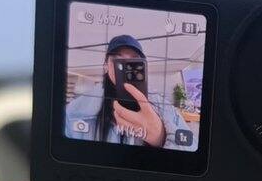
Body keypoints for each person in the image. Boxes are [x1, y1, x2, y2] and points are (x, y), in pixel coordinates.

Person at [66, 34, 194, 149]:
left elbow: (192, 145)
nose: (125, 66)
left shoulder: (160, 104)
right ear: (106, 66)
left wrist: (161, 136)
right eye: (117, 59)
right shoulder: (77, 109)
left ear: (143, 66)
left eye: (134, 60)